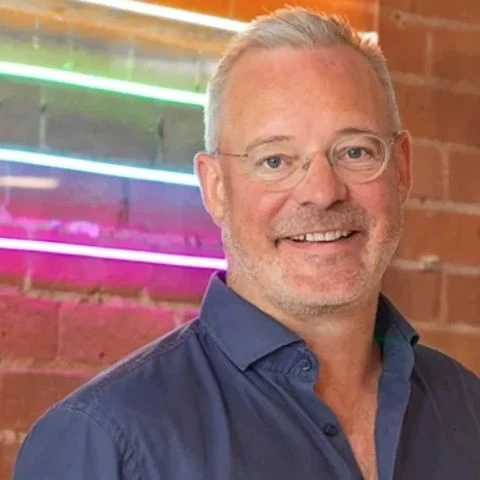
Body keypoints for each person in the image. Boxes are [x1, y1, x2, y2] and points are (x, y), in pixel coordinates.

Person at [14, 7, 480, 480]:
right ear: (216, 187)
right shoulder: (107, 443)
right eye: (274, 160)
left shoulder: (468, 410)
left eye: (355, 151)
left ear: (400, 169)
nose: (322, 191)